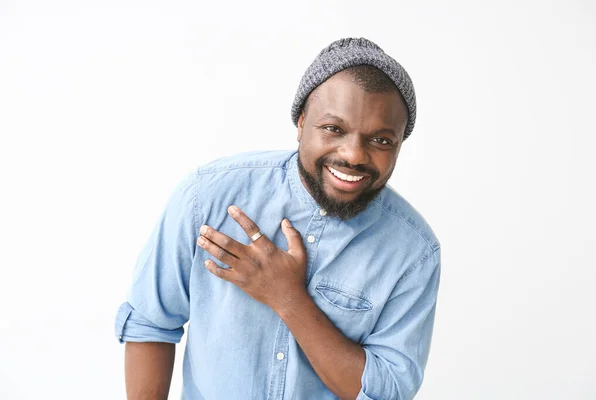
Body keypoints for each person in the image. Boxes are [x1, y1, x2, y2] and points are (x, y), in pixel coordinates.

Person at [115, 37, 441, 400]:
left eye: (381, 140)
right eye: (334, 129)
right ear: (301, 122)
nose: (353, 155)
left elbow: (388, 391)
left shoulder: (413, 251)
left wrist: (288, 298)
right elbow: (150, 323)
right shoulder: (208, 195)